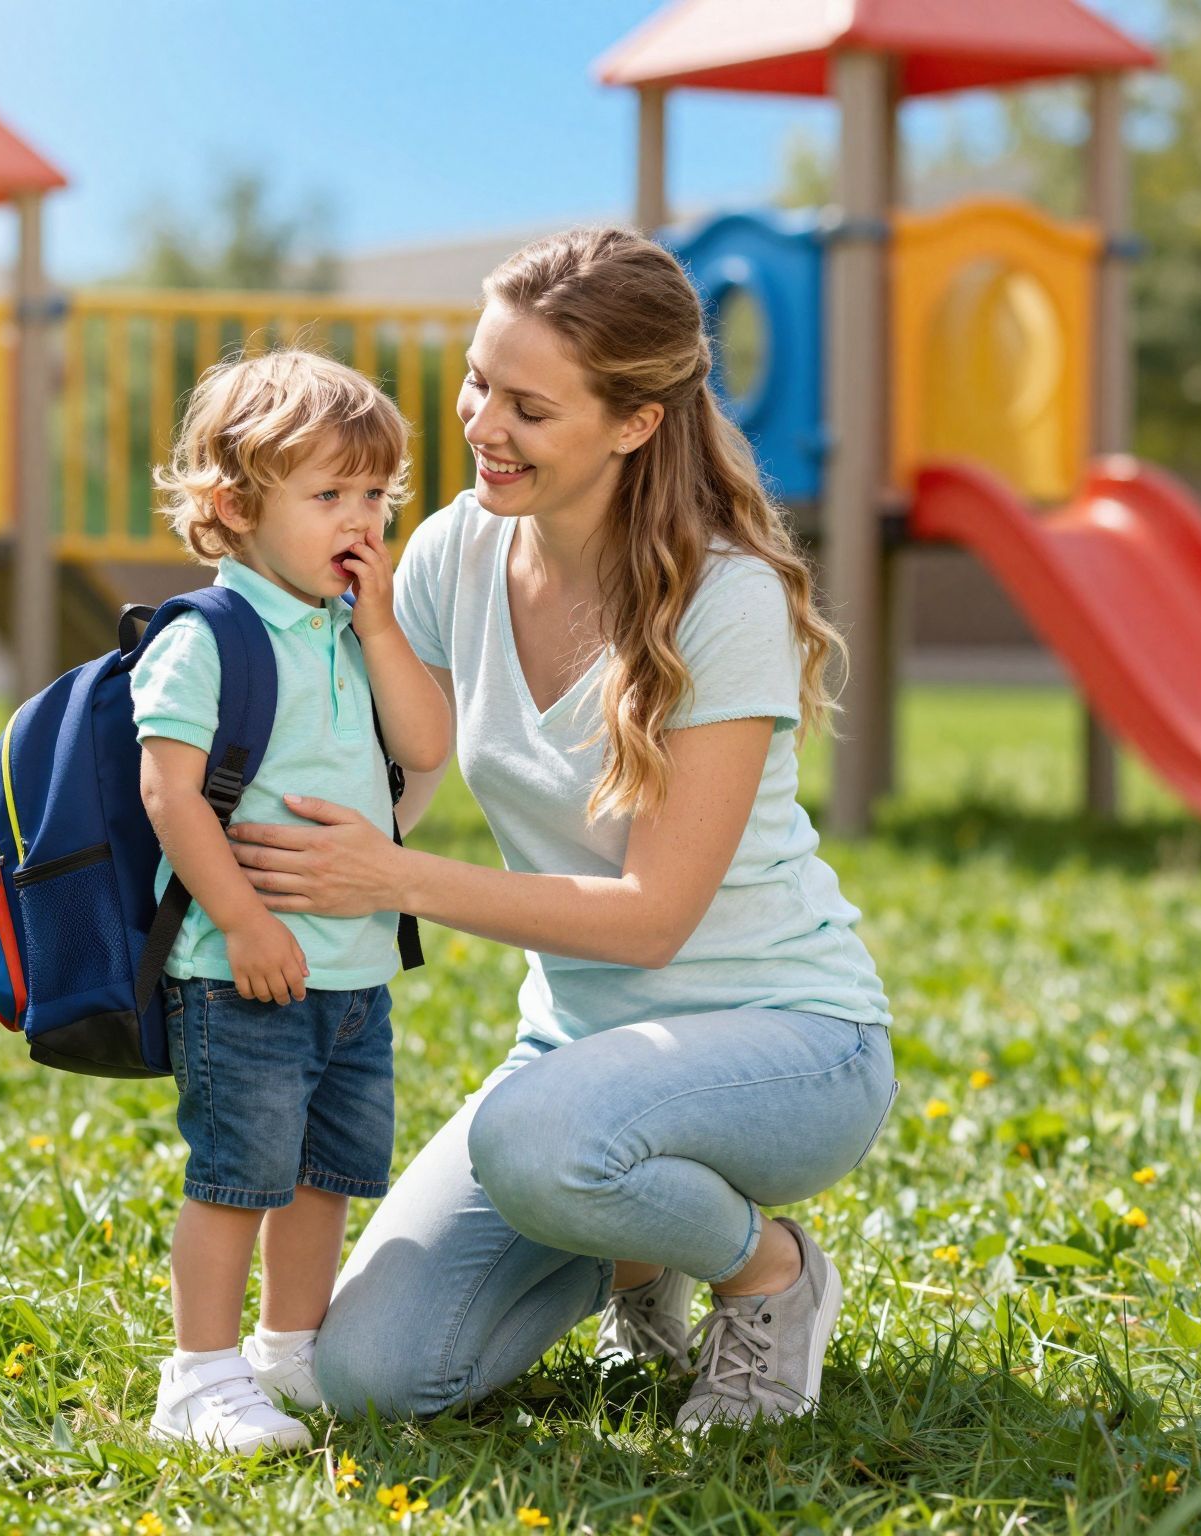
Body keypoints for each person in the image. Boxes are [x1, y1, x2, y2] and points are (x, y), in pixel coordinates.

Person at [223, 229, 897, 1431]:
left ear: (633, 423)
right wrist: (210, 845)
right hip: (576, 1060)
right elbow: (390, 776)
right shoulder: (451, 551)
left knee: (535, 1144)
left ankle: (767, 1274)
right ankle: (631, 1241)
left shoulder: (722, 596)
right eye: (479, 381)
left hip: (789, 1047)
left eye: (529, 406)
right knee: (378, 1378)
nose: (482, 423)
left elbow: (649, 920)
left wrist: (390, 877)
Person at [131, 349, 452, 1452]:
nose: (358, 519)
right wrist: (245, 921)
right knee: (237, 1178)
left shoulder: (348, 628)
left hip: (353, 970)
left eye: (375, 496)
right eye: (328, 496)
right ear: (231, 507)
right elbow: (170, 798)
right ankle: (198, 1376)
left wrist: (376, 624)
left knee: (324, 1177)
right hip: (241, 971)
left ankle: (287, 1350)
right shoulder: (203, 637)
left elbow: (422, 747)